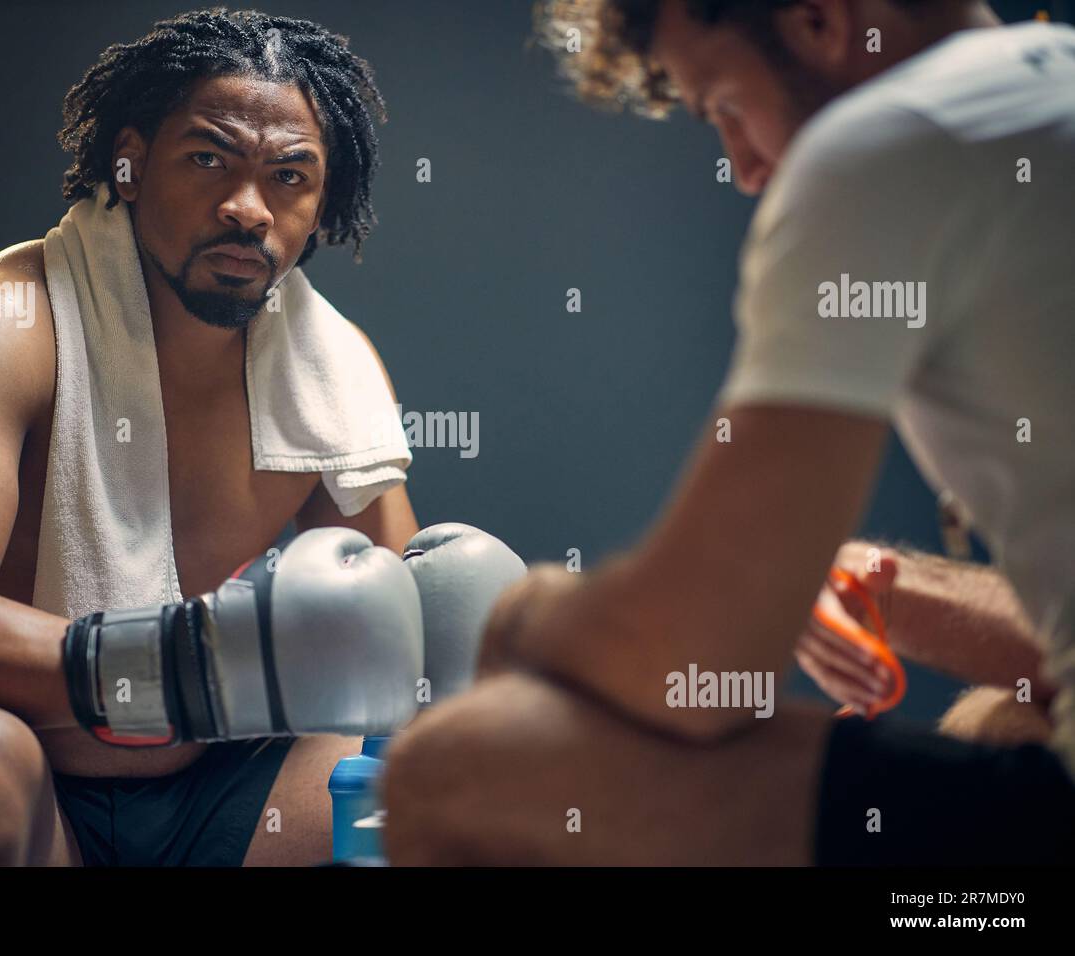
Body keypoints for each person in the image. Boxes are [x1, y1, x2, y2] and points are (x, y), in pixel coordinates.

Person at [383, 0, 1075, 865]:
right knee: (996, 721)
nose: (745, 169)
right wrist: (867, 582)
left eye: (724, 108)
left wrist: (523, 613)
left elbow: (693, 667)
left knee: (455, 771)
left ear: (820, 22)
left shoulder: (883, 143)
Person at [0, 9, 420, 866]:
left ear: (322, 202)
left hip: (219, 795)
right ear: (128, 164)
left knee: (436, 797)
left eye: (289, 176)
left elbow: (401, 646)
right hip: (24, 772)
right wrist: (176, 667)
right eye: (208, 158)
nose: (248, 207)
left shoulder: (334, 369)